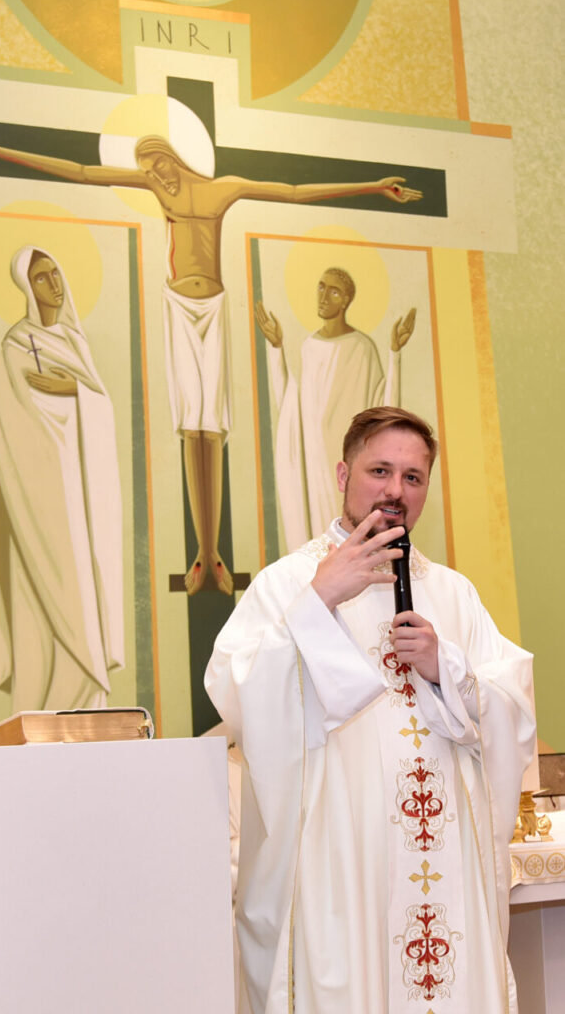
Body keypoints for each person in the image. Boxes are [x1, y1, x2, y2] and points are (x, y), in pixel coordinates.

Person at [0, 133, 422, 595]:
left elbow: (291, 193)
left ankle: (217, 558)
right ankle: (203, 554)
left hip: (212, 308)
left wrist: (373, 187)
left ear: (175, 159)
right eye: (148, 169)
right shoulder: (153, 186)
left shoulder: (221, 190)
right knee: (191, 427)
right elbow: (82, 173)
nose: (156, 176)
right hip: (177, 308)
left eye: (159, 164)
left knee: (215, 429)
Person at [205, 406, 535, 1013]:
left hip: (442, 858)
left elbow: (512, 699)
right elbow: (236, 690)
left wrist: (447, 670)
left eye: (413, 477)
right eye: (379, 470)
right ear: (342, 474)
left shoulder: (452, 592)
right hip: (340, 858)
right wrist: (319, 600)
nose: (394, 490)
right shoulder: (287, 584)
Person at [0, 246, 124, 712]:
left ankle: (86, 704)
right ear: (26, 289)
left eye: (54, 274)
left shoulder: (75, 342)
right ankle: (44, 706)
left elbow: (101, 410)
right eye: (41, 278)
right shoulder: (14, 344)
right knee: (41, 602)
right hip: (35, 501)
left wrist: (75, 390)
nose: (52, 284)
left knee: (82, 596)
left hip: (81, 498)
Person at [255, 268, 415, 548]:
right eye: (321, 287)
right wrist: (276, 348)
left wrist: (394, 353)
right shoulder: (308, 346)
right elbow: (291, 402)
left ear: (346, 302)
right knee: (318, 536)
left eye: (334, 291)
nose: (324, 296)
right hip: (313, 458)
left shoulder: (362, 348)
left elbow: (382, 407)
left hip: (346, 458)